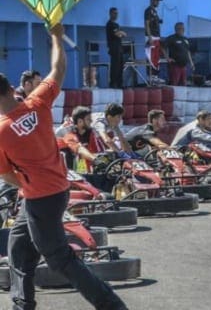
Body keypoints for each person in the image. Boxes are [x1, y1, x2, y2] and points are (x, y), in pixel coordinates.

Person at [0, 23, 127, 309]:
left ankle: (111, 305)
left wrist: (26, 184)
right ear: (11, 87)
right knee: (19, 246)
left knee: (59, 258)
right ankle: (22, 304)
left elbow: (6, 174)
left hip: (40, 198)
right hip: (57, 189)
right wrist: (56, 37)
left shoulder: (2, 132)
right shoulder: (37, 103)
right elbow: (58, 69)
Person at [105, 8, 126, 88]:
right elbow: (118, 34)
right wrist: (120, 33)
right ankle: (113, 83)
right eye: (114, 13)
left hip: (119, 48)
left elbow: (122, 34)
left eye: (117, 13)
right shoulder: (110, 24)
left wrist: (121, 33)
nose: (116, 15)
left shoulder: (117, 25)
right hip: (114, 48)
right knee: (115, 66)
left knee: (121, 67)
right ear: (110, 13)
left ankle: (120, 83)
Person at [144, 0, 163, 78]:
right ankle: (150, 77)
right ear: (152, 0)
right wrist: (149, 37)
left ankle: (155, 77)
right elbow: (147, 24)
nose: (158, 2)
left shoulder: (155, 12)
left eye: (158, 1)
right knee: (150, 57)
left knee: (156, 58)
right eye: (157, 0)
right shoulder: (148, 11)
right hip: (151, 37)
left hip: (157, 37)